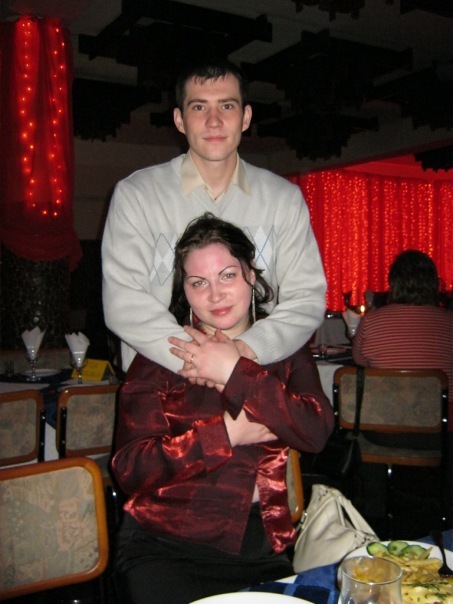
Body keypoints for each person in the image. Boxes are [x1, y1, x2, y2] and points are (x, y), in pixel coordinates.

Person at [111, 214, 334, 604]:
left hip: (259, 546)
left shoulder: (285, 349)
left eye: (227, 275)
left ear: (251, 274)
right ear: (184, 290)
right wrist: (226, 434)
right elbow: (130, 467)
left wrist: (235, 371)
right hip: (165, 546)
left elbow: (316, 431)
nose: (215, 295)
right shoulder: (161, 355)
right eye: (198, 282)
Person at [101, 58, 326, 378]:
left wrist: (243, 353)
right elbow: (124, 303)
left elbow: (307, 298)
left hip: (258, 379)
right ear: (179, 120)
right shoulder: (137, 196)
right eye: (199, 107)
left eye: (227, 106)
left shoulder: (283, 199)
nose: (214, 121)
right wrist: (202, 360)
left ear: (246, 117)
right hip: (163, 382)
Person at [352, 249, 452, 519]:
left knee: (366, 421)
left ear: (393, 284)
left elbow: (359, 360)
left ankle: (375, 509)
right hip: (440, 433)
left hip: (383, 431)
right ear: (434, 284)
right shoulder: (449, 323)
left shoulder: (372, 321)